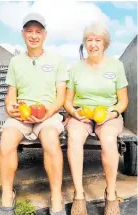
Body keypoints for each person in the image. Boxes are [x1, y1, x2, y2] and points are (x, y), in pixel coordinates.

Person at [0, 12, 68, 215]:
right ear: (23, 34)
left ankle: (56, 196)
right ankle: (6, 194)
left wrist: (47, 114)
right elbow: (11, 95)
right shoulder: (15, 62)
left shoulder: (57, 60)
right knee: (6, 142)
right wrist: (11, 106)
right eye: (29, 31)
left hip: (48, 114)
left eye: (38, 31)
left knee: (50, 140)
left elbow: (60, 97)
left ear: (45, 34)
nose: (34, 35)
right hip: (21, 114)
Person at [64, 22, 128, 215]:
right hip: (81, 114)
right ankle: (79, 194)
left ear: (105, 44)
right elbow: (67, 101)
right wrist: (74, 113)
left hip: (108, 114)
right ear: (85, 43)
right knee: (74, 137)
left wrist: (113, 114)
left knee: (108, 140)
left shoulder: (116, 66)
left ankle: (110, 194)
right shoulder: (76, 68)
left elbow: (123, 100)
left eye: (97, 40)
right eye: (89, 40)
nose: (93, 44)